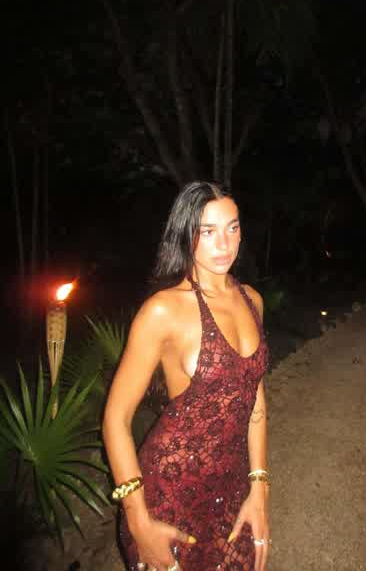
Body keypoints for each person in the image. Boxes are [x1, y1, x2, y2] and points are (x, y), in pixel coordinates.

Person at [103, 181, 270, 571]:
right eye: (207, 231)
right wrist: (138, 520)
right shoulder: (163, 311)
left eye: (232, 228)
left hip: (232, 487)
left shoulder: (252, 300)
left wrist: (260, 486)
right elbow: (115, 418)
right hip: (168, 493)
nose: (223, 244)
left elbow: (255, 398)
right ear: (185, 235)